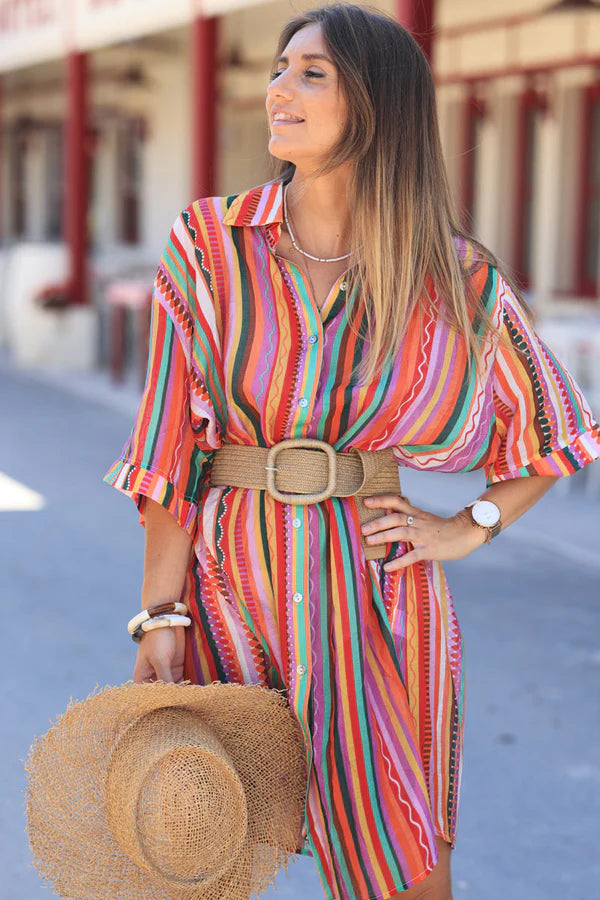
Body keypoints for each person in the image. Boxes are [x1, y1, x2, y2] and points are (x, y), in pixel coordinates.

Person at [104, 4, 600, 899]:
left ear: (377, 106)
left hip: (380, 599)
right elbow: (170, 450)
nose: (278, 90)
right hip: (228, 592)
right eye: (279, 68)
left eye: (311, 73)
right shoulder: (210, 247)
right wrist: (161, 616)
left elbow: (558, 433)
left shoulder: (454, 276)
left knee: (401, 865)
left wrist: (468, 525)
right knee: (197, 852)